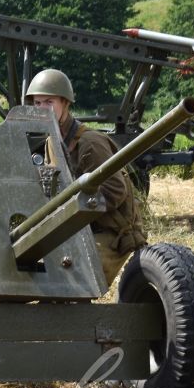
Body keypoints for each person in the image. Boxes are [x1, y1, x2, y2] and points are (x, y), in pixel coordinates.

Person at [24, 68, 147, 285]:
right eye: (37, 103)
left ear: (65, 103)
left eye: (49, 102)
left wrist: (75, 208)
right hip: (77, 230)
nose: (42, 109)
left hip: (111, 233)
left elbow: (115, 191)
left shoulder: (89, 143)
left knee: (70, 282)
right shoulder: (51, 142)